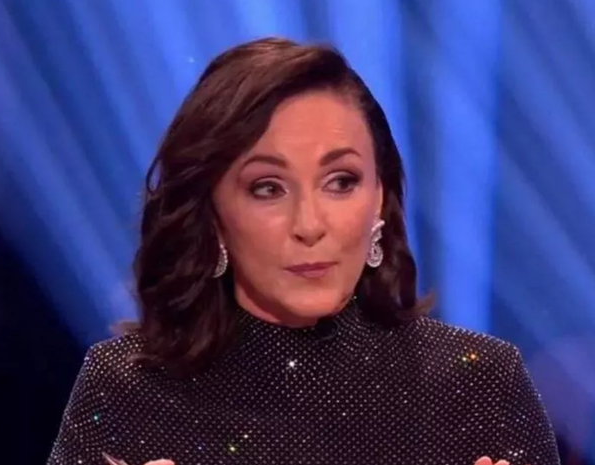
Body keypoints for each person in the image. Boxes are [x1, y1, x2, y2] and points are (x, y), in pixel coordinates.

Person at [47, 37, 560, 465]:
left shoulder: (480, 385)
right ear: (211, 214)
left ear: (379, 197)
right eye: (268, 188)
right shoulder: (127, 392)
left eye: (341, 181)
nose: (310, 225)